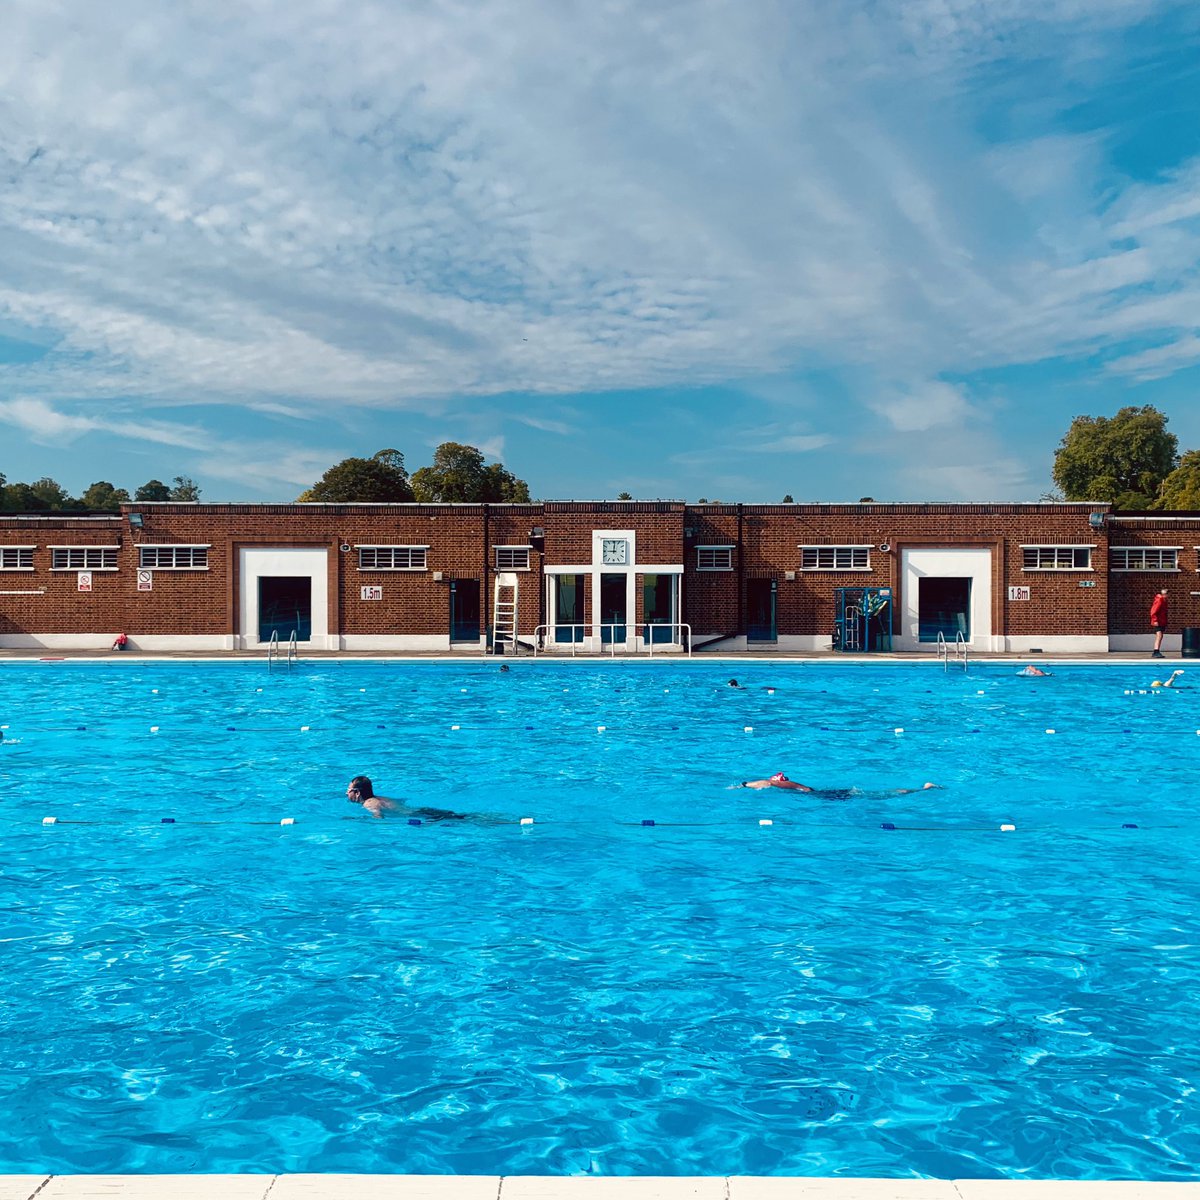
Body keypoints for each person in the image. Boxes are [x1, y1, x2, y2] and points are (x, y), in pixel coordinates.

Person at [346, 775, 467, 822]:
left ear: (357, 793)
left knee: (461, 820)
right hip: (421, 811)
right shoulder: (381, 798)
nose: (347, 793)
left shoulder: (369, 804)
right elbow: (400, 801)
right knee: (461, 817)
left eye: (349, 790)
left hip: (421, 816)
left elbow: (378, 817)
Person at [739, 772, 938, 797]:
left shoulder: (788, 785)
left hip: (828, 796)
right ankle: (919, 789)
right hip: (827, 794)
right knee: (875, 794)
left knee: (876, 795)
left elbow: (766, 782)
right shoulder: (795, 786)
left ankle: (922, 789)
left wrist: (744, 785)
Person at [1151, 588, 1169, 658]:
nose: (1168, 596)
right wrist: (1155, 620)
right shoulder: (1159, 600)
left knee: (1160, 636)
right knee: (1159, 635)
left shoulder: (1163, 601)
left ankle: (1156, 651)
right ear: (1164, 594)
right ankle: (1156, 651)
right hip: (1158, 621)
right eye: (1167, 595)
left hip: (1161, 621)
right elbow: (1153, 611)